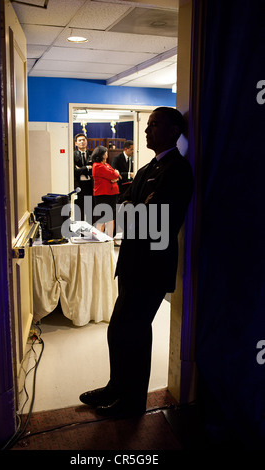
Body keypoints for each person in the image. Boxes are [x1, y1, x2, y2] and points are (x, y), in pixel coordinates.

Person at [79, 107, 194, 417]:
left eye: (154, 125)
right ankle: (120, 390)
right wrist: (135, 207)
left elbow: (155, 220)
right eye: (147, 125)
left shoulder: (178, 170)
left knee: (129, 332)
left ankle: (128, 401)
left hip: (152, 268)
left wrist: (135, 209)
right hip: (132, 264)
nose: (146, 131)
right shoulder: (146, 170)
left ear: (173, 131)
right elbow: (123, 207)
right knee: (127, 332)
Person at [91, 145, 120, 237]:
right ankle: (99, 237)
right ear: (102, 154)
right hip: (103, 194)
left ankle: (110, 238)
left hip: (111, 194)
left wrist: (115, 176)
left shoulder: (106, 164)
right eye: (105, 152)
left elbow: (115, 176)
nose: (107, 153)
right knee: (101, 217)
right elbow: (114, 174)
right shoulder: (97, 166)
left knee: (111, 217)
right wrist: (115, 176)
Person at [74, 133, 93, 220]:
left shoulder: (92, 154)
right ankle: (79, 232)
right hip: (79, 186)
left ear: (86, 142)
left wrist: (80, 169)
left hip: (90, 185)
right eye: (79, 140)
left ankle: (90, 231)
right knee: (79, 210)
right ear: (76, 143)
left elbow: (94, 169)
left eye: (84, 140)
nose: (82, 142)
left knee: (90, 210)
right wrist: (86, 167)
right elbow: (74, 171)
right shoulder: (73, 155)